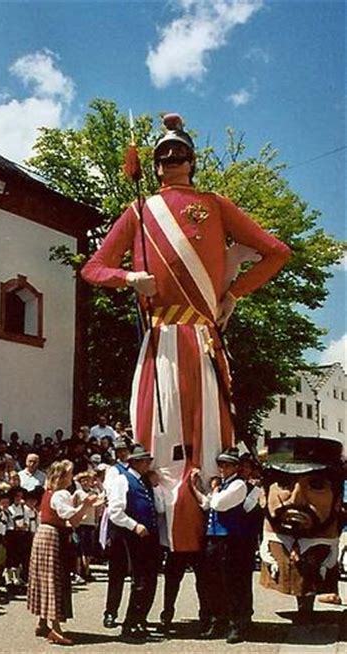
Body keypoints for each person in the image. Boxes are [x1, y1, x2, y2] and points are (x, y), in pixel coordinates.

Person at [81, 112, 291, 554]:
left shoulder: (214, 205)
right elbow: (93, 268)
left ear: (192, 161)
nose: (172, 160)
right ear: (155, 165)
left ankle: (209, 537)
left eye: (179, 153)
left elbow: (276, 251)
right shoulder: (138, 210)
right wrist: (130, 278)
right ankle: (157, 540)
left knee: (212, 437)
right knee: (158, 436)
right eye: (164, 155)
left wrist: (234, 293)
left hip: (202, 338)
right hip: (160, 343)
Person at [259, 436, 344, 624]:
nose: (297, 499)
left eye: (316, 485)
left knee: (313, 564)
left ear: (337, 501)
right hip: (282, 539)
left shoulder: (328, 524)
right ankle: (303, 605)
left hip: (320, 541)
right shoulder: (272, 516)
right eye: (283, 483)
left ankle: (307, 605)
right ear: (263, 495)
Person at [27, 459, 98, 646]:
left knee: (43, 578)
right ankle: (55, 628)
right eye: (69, 474)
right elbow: (73, 520)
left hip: (43, 533)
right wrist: (86, 505)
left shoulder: (49, 493)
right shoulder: (60, 494)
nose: (72, 477)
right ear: (62, 477)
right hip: (52, 536)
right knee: (54, 579)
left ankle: (42, 622)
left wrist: (78, 503)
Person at [190, 447, 254, 644]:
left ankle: (238, 625)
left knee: (234, 584)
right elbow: (207, 504)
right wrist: (195, 488)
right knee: (214, 584)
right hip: (214, 540)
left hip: (230, 541)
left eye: (226, 465)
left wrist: (215, 488)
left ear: (235, 467)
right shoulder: (225, 486)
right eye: (220, 464)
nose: (222, 468)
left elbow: (218, 504)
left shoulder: (238, 486)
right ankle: (219, 622)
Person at [107, 444, 163, 641]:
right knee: (139, 580)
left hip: (149, 537)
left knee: (149, 579)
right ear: (137, 462)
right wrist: (134, 525)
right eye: (146, 461)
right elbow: (115, 512)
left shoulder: (145, 481)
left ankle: (140, 619)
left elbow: (160, 508)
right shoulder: (123, 480)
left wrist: (156, 487)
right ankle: (130, 624)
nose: (149, 464)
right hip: (133, 536)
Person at [100, 437, 131, 628]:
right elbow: (110, 496)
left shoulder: (137, 469)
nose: (123, 453)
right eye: (120, 450)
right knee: (117, 572)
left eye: (125, 449)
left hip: (135, 522)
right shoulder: (114, 471)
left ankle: (134, 615)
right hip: (118, 523)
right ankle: (110, 611)